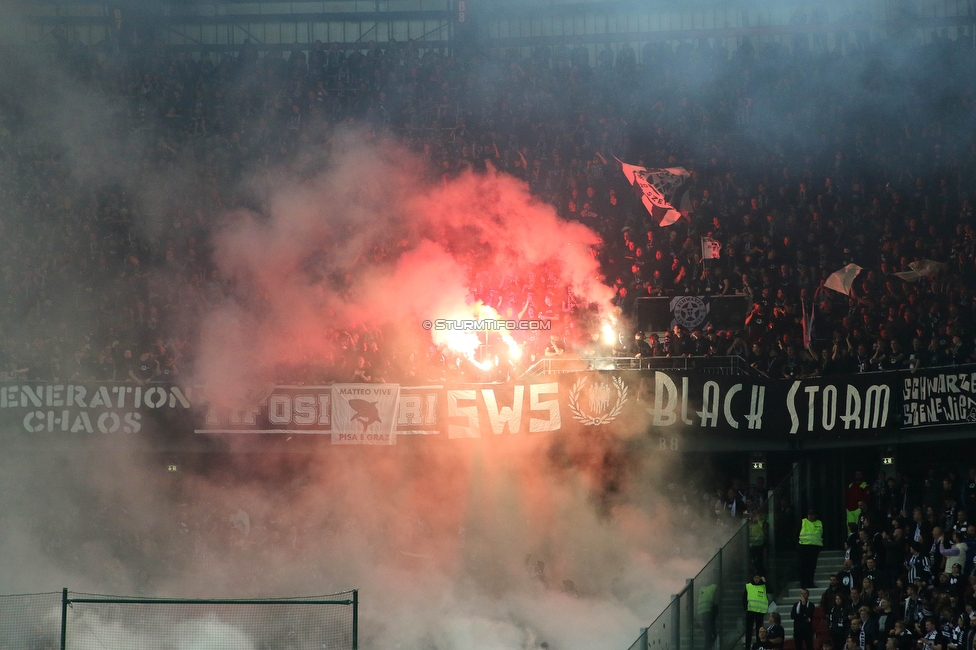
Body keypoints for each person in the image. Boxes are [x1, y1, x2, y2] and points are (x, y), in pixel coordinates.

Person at [799, 509, 825, 588]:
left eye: (812, 515)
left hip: (814, 548)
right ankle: (803, 583)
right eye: (809, 515)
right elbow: (796, 534)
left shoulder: (819, 523)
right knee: (804, 566)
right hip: (804, 547)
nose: (810, 516)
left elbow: (822, 534)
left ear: (815, 515)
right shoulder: (803, 522)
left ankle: (810, 583)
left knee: (812, 566)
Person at [745, 573, 770, 649]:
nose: (756, 579)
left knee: (759, 631)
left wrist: (765, 582)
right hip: (750, 611)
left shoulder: (763, 586)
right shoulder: (748, 586)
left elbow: (771, 590)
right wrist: (745, 608)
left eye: (758, 578)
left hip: (760, 611)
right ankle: (747, 647)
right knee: (748, 630)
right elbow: (744, 597)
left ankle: (758, 646)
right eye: (755, 578)